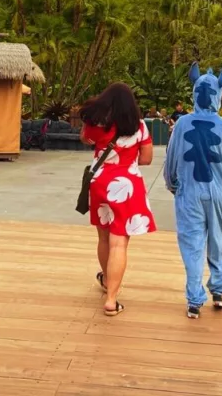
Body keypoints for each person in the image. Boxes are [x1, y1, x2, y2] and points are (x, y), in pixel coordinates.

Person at [163, 64, 222, 319]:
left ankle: (194, 299)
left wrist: (172, 185)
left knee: (191, 244)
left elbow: (171, 161)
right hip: (219, 194)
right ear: (218, 94)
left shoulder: (181, 124)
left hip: (188, 194)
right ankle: (219, 290)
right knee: (219, 241)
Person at [79, 82, 157, 317]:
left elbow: (85, 139)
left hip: (99, 182)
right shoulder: (139, 126)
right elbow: (146, 159)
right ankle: (112, 299)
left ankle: (106, 281)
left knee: (104, 237)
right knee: (119, 242)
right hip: (127, 185)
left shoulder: (95, 122)